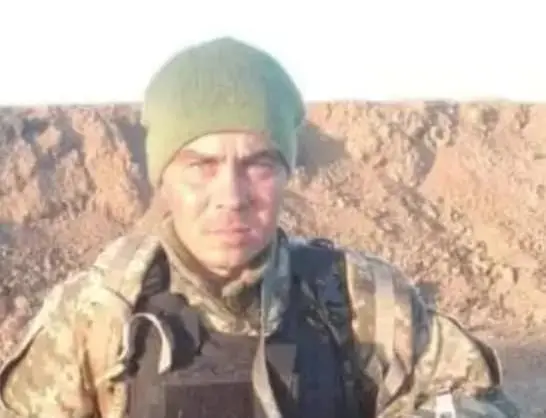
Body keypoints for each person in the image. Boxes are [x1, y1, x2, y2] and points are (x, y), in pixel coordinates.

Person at [0, 37, 519, 418]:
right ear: (164, 179)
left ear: (288, 174)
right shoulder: (97, 315)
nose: (231, 196)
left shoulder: (361, 300)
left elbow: (475, 399)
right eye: (201, 166)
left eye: (259, 164)